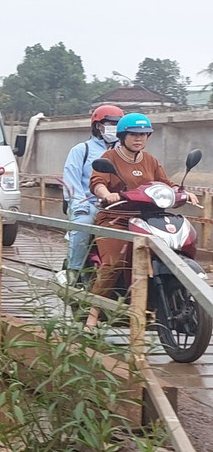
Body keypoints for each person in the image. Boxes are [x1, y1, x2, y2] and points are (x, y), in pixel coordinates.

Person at [84, 112, 199, 329]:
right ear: (122, 136)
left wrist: (182, 192)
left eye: (144, 134)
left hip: (147, 218)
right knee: (114, 263)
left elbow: (166, 183)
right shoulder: (109, 158)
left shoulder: (150, 160)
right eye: (134, 134)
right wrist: (106, 193)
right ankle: (93, 313)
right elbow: (97, 181)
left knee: (174, 249)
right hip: (115, 218)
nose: (139, 138)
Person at [58, 105, 123, 281]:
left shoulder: (125, 152)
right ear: (97, 126)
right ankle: (73, 273)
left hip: (119, 206)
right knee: (84, 225)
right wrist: (80, 205)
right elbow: (71, 182)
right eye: (110, 123)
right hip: (89, 204)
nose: (114, 128)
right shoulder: (81, 150)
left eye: (118, 124)